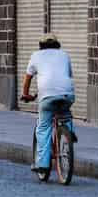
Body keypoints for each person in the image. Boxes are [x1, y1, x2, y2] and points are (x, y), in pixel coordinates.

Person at [22, 33, 77, 172]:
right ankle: (69, 132)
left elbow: (28, 78)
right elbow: (69, 75)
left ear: (41, 45)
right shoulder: (64, 55)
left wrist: (25, 94)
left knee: (43, 128)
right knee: (65, 112)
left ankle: (43, 164)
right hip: (67, 94)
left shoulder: (36, 55)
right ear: (57, 45)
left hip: (47, 96)